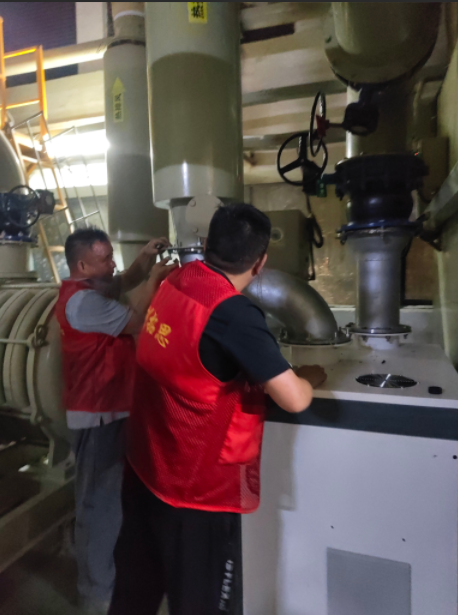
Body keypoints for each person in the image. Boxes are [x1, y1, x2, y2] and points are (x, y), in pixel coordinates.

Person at [108, 203, 326, 615]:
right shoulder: (232, 313)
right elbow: (293, 398)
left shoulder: (177, 279)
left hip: (143, 465)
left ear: (207, 244)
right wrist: (308, 377)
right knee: (199, 601)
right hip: (193, 492)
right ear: (260, 262)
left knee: (135, 591)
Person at [55, 227, 176, 614]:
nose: (113, 264)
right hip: (97, 415)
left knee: (114, 500)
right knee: (98, 507)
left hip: (114, 406)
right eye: (105, 258)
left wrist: (146, 259)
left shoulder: (94, 285)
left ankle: (109, 574)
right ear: (81, 265)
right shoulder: (83, 302)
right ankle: (95, 594)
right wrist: (157, 281)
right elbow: (137, 319)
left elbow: (123, 281)